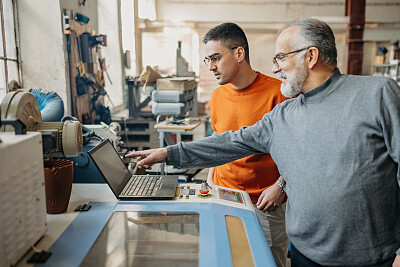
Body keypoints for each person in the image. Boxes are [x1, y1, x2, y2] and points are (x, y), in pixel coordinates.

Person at [127, 18, 400, 266]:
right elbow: (230, 142)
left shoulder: (376, 95)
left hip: (372, 258)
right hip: (306, 255)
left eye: (280, 57)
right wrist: (168, 153)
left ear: (311, 56)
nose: (274, 68)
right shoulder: (283, 115)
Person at [202, 22, 289, 266]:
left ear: (239, 54)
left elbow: (300, 151)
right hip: (223, 196)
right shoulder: (217, 96)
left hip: (264, 202)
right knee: (230, 258)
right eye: (207, 60)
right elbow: (220, 142)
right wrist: (211, 178)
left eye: (216, 58)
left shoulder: (279, 94)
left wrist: (281, 186)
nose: (211, 67)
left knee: (269, 261)